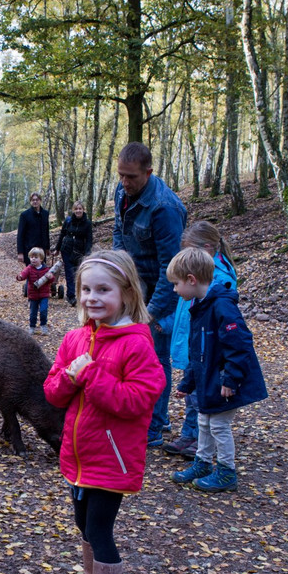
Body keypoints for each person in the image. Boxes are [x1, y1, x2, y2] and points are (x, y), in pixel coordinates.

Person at [42, 250, 166, 574]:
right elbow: (53, 392)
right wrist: (71, 378)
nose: (93, 298)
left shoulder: (136, 344)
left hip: (111, 459)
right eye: (86, 290)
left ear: (127, 293)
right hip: (79, 456)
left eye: (103, 290)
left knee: (99, 530)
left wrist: (90, 374)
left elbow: (137, 400)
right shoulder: (75, 338)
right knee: (82, 525)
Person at [167, 247, 267, 492]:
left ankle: (226, 470)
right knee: (203, 421)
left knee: (219, 426)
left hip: (223, 381)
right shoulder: (199, 307)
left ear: (191, 280)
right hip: (207, 379)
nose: (174, 289)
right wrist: (187, 383)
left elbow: (239, 343)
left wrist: (231, 379)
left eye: (176, 284)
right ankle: (202, 462)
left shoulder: (222, 306)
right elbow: (196, 351)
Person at [111, 142, 187, 448]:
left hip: (161, 289)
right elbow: (119, 230)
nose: (125, 183)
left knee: (153, 357)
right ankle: (140, 414)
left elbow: (172, 267)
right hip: (134, 281)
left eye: (131, 177)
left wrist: (151, 312)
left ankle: (155, 424)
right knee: (127, 352)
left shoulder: (165, 208)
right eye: (121, 176)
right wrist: (117, 269)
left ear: (149, 172)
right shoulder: (123, 193)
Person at [162, 221, 238, 460]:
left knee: (201, 397)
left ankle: (201, 442)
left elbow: (227, 329)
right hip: (193, 342)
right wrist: (164, 323)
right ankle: (190, 434)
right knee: (191, 393)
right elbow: (184, 310)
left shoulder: (219, 280)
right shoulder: (194, 276)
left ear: (206, 248)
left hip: (207, 347)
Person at [53, 201, 94, 306]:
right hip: (66, 249)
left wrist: (88, 254)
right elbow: (62, 234)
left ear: (83, 210)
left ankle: (80, 295)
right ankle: (71, 296)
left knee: (79, 274)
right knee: (69, 273)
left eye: (80, 209)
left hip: (80, 251)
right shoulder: (68, 221)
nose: (78, 211)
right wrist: (57, 249)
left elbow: (89, 239)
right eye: (76, 209)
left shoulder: (87, 223)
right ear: (73, 210)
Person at [17, 247, 56, 335]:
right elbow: (23, 274)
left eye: (36, 257)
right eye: (31, 257)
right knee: (33, 313)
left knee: (43, 310)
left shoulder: (46, 269)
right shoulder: (29, 268)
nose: (33, 259)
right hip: (33, 295)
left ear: (41, 259)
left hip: (44, 294)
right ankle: (32, 327)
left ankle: (43, 326)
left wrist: (51, 277)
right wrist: (20, 277)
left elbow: (51, 280)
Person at [16, 192, 51, 265]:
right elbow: (20, 235)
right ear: (30, 201)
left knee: (42, 272)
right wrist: (20, 252)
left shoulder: (45, 214)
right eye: (33, 200)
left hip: (42, 249)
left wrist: (47, 247)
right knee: (31, 273)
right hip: (29, 249)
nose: (35, 201)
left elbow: (46, 231)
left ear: (40, 201)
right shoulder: (24, 215)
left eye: (37, 200)